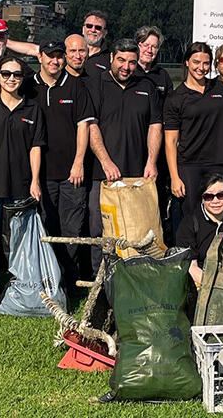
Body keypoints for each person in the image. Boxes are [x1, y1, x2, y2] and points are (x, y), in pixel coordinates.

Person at [0, 53, 45, 308]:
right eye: (6, 74)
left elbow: (36, 147)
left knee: (18, 238)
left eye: (16, 74)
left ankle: (20, 282)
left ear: (23, 78)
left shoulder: (32, 108)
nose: (11, 79)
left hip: (21, 183)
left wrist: (35, 180)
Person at [86, 39, 162, 271]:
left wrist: (151, 161)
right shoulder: (96, 85)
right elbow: (91, 125)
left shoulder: (147, 86)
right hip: (103, 174)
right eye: (121, 60)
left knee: (139, 228)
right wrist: (106, 161)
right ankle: (101, 281)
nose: (126, 67)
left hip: (138, 173)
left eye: (131, 62)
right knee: (101, 229)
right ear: (111, 58)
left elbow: (155, 125)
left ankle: (136, 275)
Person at [25, 40, 94, 288]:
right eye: (50, 56)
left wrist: (78, 163)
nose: (55, 61)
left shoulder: (75, 86)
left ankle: (69, 281)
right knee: (45, 227)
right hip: (39, 174)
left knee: (72, 229)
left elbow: (83, 126)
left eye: (59, 57)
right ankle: (47, 279)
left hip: (70, 173)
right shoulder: (28, 86)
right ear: (40, 57)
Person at [164, 42, 223, 236]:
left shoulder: (219, 88)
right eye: (196, 62)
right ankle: (188, 259)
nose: (201, 67)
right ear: (186, 62)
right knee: (190, 216)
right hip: (190, 165)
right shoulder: (176, 98)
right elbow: (170, 141)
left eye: (206, 63)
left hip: (219, 162)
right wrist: (175, 177)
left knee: (221, 213)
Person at [134, 25, 175, 232]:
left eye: (154, 47)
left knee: (155, 201)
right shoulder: (129, 72)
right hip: (132, 145)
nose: (149, 50)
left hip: (155, 148)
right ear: (137, 45)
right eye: (145, 45)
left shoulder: (163, 76)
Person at [177, 172, 223, 285]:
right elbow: (192, 267)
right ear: (202, 199)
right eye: (209, 196)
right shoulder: (189, 223)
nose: (215, 201)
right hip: (200, 280)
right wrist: (214, 286)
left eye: (222, 195)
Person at [81, 10, 110, 78]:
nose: (93, 30)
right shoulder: (69, 53)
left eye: (98, 28)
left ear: (105, 33)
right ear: (83, 29)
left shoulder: (110, 59)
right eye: (89, 26)